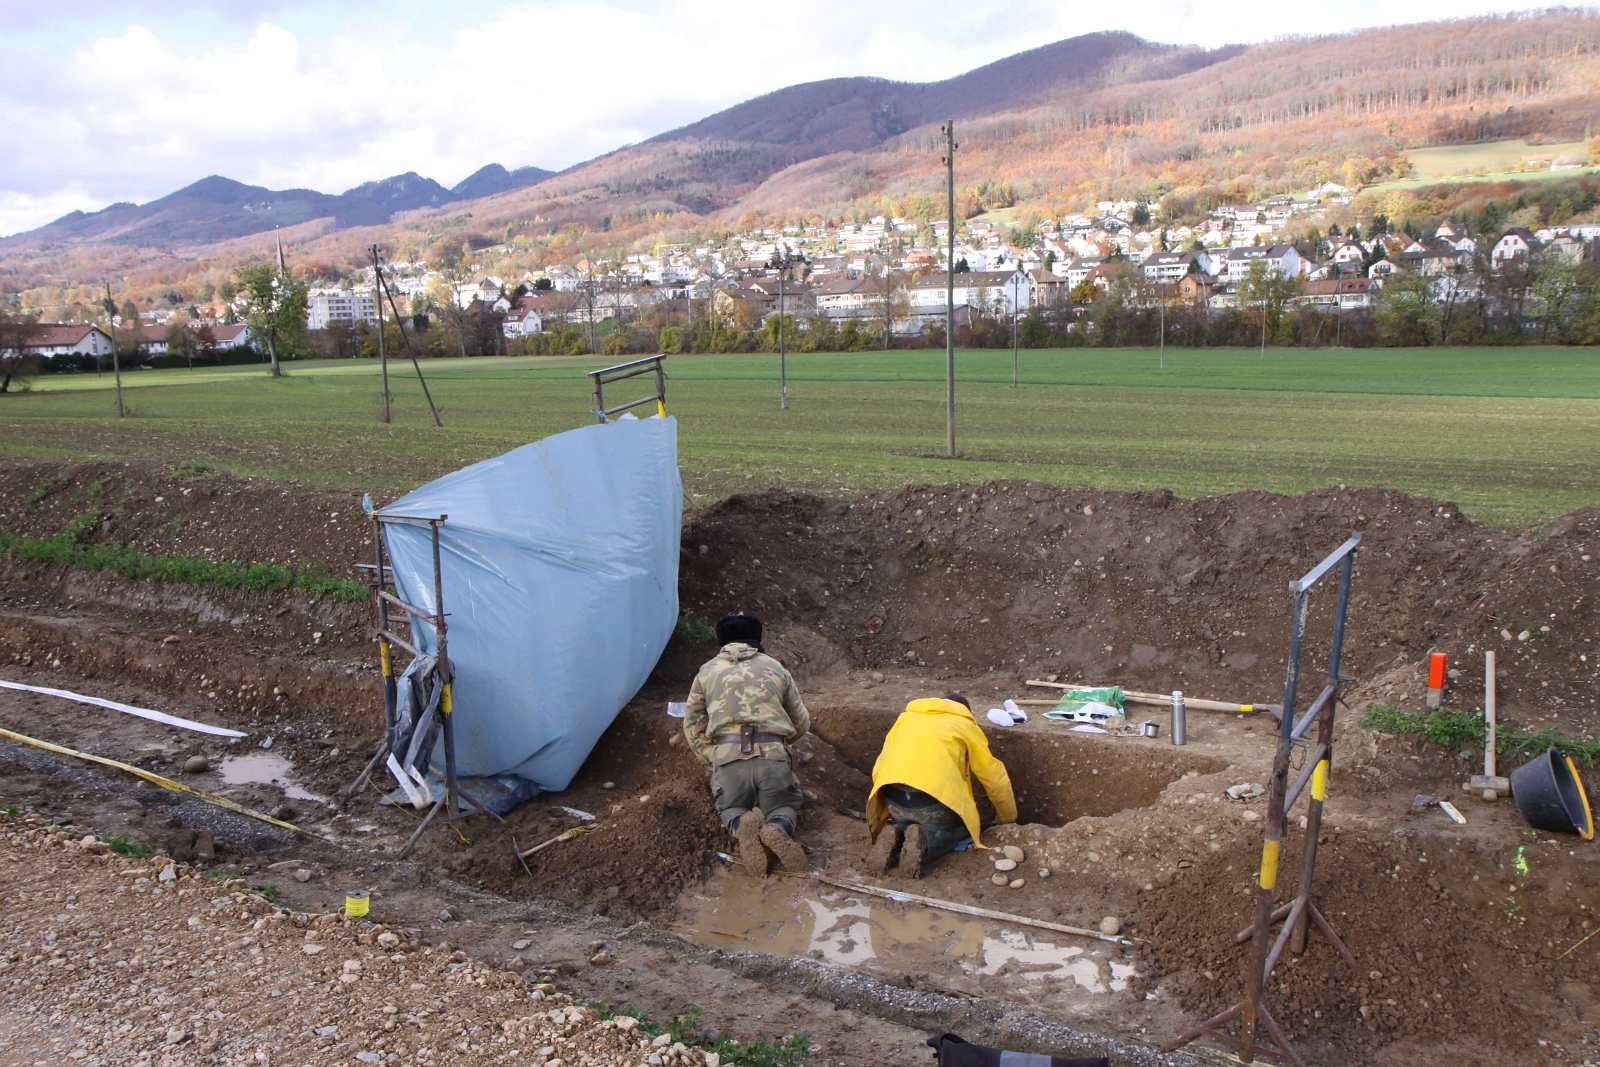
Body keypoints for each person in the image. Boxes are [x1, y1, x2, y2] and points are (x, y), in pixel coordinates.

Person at [682, 613, 810, 878]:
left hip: (728, 761)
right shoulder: (776, 668)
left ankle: (742, 824)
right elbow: (801, 721)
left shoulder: (706, 672)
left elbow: (692, 724)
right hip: (772, 758)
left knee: (730, 808)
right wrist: (780, 745)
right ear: (757, 638)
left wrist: (712, 755)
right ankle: (776, 827)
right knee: (783, 807)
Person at [865, 693, 1017, 878]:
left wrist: (881, 808)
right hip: (932, 800)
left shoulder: (906, 718)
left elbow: (880, 766)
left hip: (891, 795)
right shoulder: (964, 724)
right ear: (966, 711)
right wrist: (1008, 818)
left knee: (907, 820)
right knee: (958, 830)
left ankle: (897, 832)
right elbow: (994, 777)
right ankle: (925, 845)